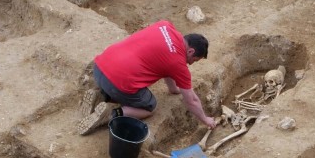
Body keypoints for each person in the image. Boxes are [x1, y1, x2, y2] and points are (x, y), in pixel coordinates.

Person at [78, 20, 217, 135]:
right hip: (118, 82)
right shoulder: (179, 63)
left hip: (99, 67)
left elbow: (167, 67)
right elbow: (191, 100)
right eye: (194, 60)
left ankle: (101, 95)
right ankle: (111, 113)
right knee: (149, 107)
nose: (190, 63)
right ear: (191, 51)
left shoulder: (165, 25)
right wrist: (205, 119)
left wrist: (174, 89)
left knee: (121, 79)